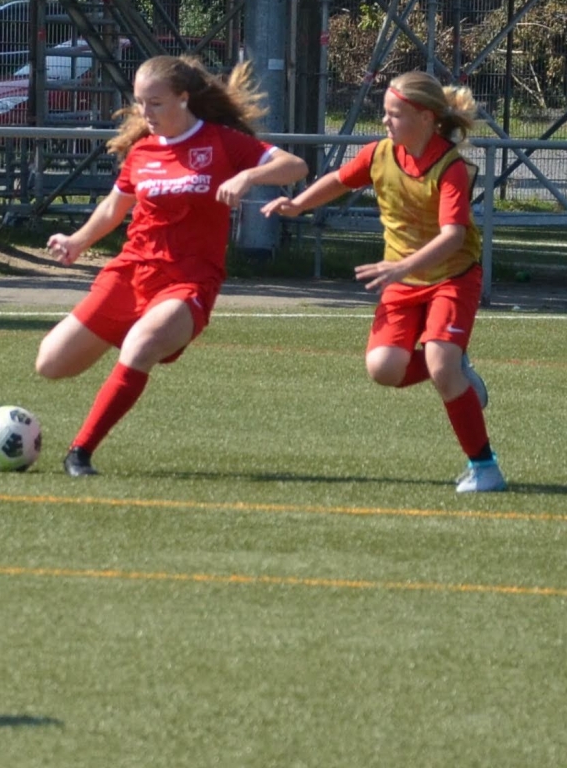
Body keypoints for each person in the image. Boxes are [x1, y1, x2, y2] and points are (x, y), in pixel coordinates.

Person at [37, 56, 305, 475]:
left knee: (141, 346)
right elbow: (113, 208)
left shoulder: (221, 141)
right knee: (51, 363)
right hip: (131, 272)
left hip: (189, 279)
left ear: (184, 98)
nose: (146, 113)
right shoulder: (142, 151)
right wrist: (76, 241)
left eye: (156, 103)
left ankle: (80, 452)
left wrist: (247, 177)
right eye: (140, 102)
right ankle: (132, 333)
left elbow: (295, 166)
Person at [262, 70, 505, 493]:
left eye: (395, 114)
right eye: (385, 112)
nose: (385, 121)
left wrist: (401, 266)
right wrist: (298, 204)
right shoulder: (379, 153)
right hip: (402, 279)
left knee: (440, 365)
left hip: (452, 277)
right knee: (384, 369)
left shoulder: (451, 167)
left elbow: (454, 236)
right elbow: (339, 180)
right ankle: (457, 372)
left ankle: (485, 468)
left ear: (426, 119)